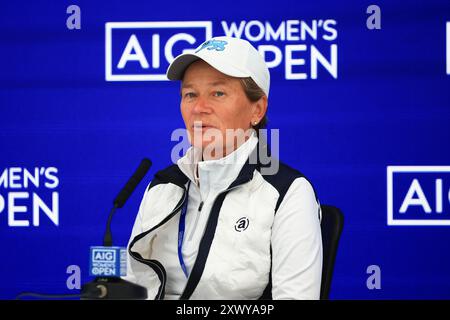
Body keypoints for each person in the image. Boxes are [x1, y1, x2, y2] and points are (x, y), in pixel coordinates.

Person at [124, 36, 323, 300]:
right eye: (190, 94)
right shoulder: (162, 186)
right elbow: (133, 285)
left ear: (257, 110)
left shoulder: (288, 192)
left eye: (218, 93)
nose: (199, 108)